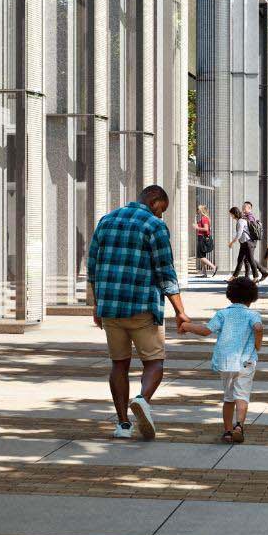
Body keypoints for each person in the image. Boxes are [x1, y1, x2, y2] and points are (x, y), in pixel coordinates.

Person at [86, 184, 191, 439]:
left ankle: (122, 425)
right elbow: (166, 272)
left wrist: (96, 304)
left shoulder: (106, 220)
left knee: (118, 364)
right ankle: (142, 399)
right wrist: (180, 312)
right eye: (162, 209)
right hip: (142, 307)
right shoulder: (154, 226)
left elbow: (92, 266)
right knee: (154, 362)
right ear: (154, 201)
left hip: (111, 307)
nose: (161, 215)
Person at [181, 275, 263, 442]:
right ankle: (239, 425)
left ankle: (227, 431)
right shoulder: (253, 315)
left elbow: (206, 331)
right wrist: (257, 344)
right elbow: (258, 328)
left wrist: (186, 326)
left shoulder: (223, 314)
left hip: (226, 362)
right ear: (252, 297)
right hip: (246, 362)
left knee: (228, 397)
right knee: (242, 396)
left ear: (230, 294)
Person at [241, 201, 268, 281]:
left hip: (251, 240)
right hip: (250, 240)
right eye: (243, 208)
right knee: (248, 258)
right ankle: (262, 273)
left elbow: (251, 229)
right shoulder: (247, 216)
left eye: (244, 208)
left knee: (249, 258)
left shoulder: (250, 217)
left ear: (249, 208)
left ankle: (252, 276)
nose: (243, 209)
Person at [194, 204, 218, 276]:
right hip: (201, 237)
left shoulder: (204, 218)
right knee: (202, 256)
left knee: (200, 256)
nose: (197, 211)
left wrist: (197, 228)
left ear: (201, 210)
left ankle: (213, 267)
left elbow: (206, 229)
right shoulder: (203, 218)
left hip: (202, 238)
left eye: (198, 209)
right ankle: (204, 273)